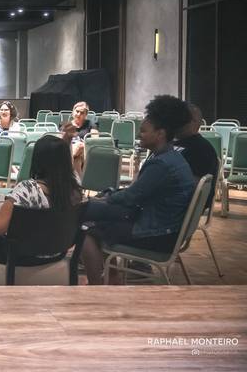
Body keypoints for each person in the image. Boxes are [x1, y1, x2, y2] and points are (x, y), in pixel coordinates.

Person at [80, 95, 196, 285]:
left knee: (85, 228)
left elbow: (131, 197)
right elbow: (136, 195)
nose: (138, 135)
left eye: (143, 131)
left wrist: (106, 197)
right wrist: (109, 197)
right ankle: (113, 277)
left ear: (160, 134)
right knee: (95, 212)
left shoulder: (161, 164)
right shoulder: (171, 157)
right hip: (166, 228)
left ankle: (97, 287)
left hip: (157, 234)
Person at [174, 102, 219, 210]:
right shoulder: (167, 142)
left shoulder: (202, 149)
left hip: (175, 209)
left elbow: (193, 187)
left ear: (194, 122)